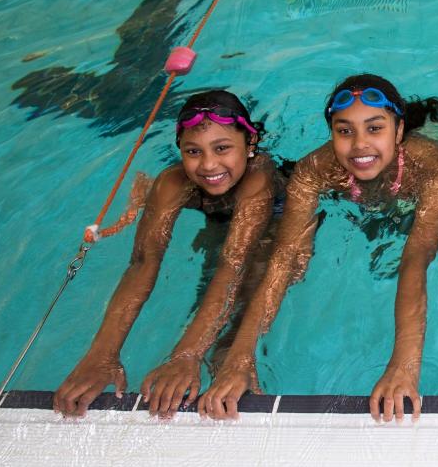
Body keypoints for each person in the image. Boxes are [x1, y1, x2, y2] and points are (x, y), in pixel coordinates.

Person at [197, 74, 438, 422]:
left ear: (398, 131)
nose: (359, 144)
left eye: (374, 128)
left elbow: (416, 257)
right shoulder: (314, 170)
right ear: (331, 133)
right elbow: (284, 258)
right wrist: (240, 355)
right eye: (344, 131)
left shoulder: (434, 166)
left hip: (410, 189)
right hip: (356, 196)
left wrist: (404, 365)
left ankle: (426, 115)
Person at [54, 90, 279, 419]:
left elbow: (233, 266)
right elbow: (142, 263)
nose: (208, 164)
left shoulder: (258, 177)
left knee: (238, 318)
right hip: (217, 213)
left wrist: (186, 354)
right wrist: (101, 355)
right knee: (211, 277)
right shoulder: (172, 182)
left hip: (270, 217)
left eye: (222, 148)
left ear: (250, 144)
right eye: (193, 151)